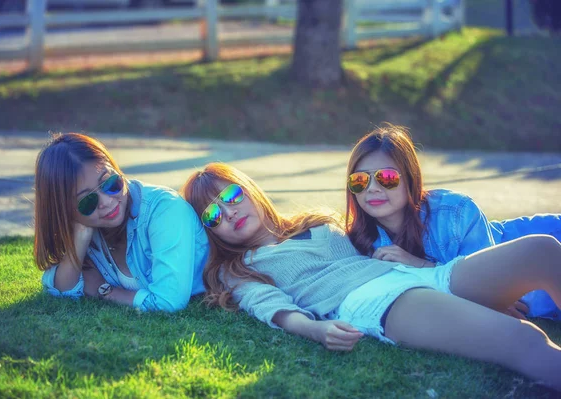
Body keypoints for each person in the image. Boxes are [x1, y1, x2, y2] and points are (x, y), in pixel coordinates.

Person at [181, 162, 561, 391]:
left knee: (541, 250)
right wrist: (316, 330)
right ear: (212, 231)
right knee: (523, 339)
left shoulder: (318, 222)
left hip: (416, 276)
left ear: (249, 190)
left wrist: (426, 267)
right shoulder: (239, 269)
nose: (226, 214)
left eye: (229, 197)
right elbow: (272, 308)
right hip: (379, 301)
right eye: (212, 216)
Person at [345, 124, 561, 320]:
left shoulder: (455, 210)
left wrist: (420, 265)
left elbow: (491, 292)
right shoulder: (360, 242)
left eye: (387, 177)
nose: (372, 188)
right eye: (359, 180)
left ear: (411, 178)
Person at [34, 133, 209, 312]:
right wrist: (80, 239)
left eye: (110, 183)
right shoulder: (85, 228)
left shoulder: (165, 209)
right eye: (88, 201)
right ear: (63, 209)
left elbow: (168, 302)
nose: (107, 202)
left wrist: (106, 291)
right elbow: (61, 289)